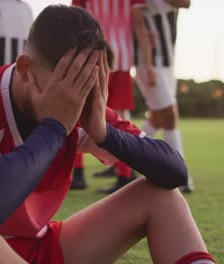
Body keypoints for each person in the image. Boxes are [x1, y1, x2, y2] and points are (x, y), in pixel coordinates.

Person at [0, 5, 214, 264]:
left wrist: (104, 133)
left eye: (86, 87)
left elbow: (175, 171)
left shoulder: (81, 105)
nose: (76, 100)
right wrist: (55, 127)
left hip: (35, 247)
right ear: (25, 69)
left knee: (161, 196)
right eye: (67, 86)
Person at [71, 0, 157, 193]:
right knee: (120, 113)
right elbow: (139, 23)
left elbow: (74, 20)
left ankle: (76, 173)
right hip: (122, 58)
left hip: (93, 53)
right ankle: (124, 175)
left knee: (79, 107)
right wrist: (148, 63)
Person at [135, 0, 195, 192]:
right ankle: (179, 176)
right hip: (150, 61)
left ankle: (128, 160)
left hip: (167, 60)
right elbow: (136, 21)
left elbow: (186, 3)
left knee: (158, 119)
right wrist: (148, 64)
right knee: (169, 116)